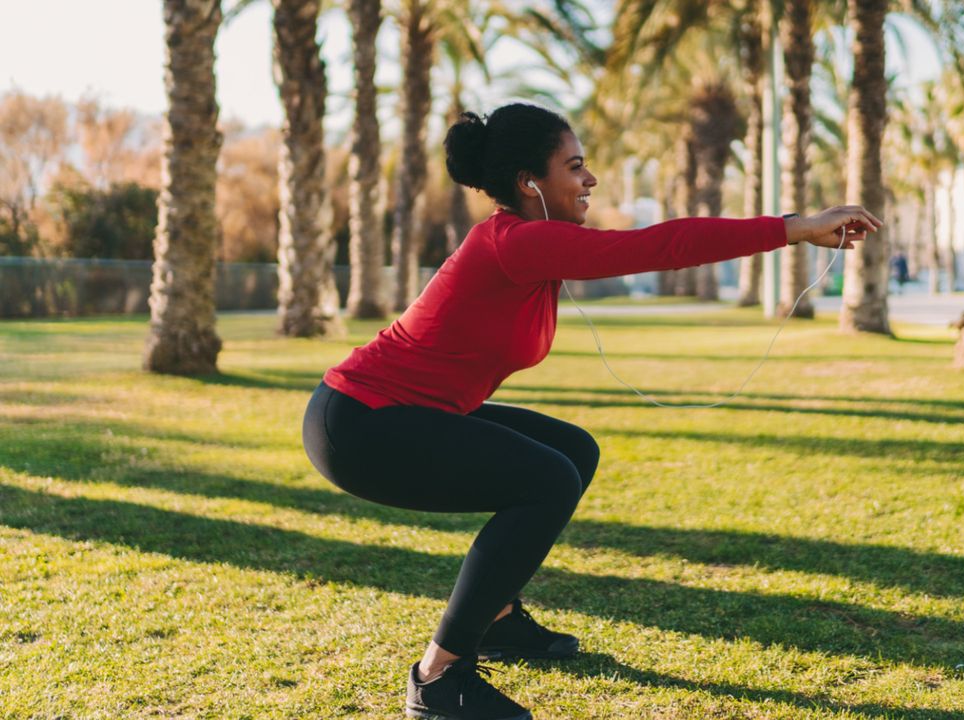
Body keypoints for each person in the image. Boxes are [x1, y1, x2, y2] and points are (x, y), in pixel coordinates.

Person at [301, 102, 881, 720]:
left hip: (396, 414)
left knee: (573, 451)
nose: (590, 180)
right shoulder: (512, 243)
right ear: (530, 183)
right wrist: (792, 227)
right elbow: (663, 245)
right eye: (575, 167)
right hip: (361, 424)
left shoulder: (528, 248)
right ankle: (438, 677)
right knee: (545, 478)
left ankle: (497, 620)